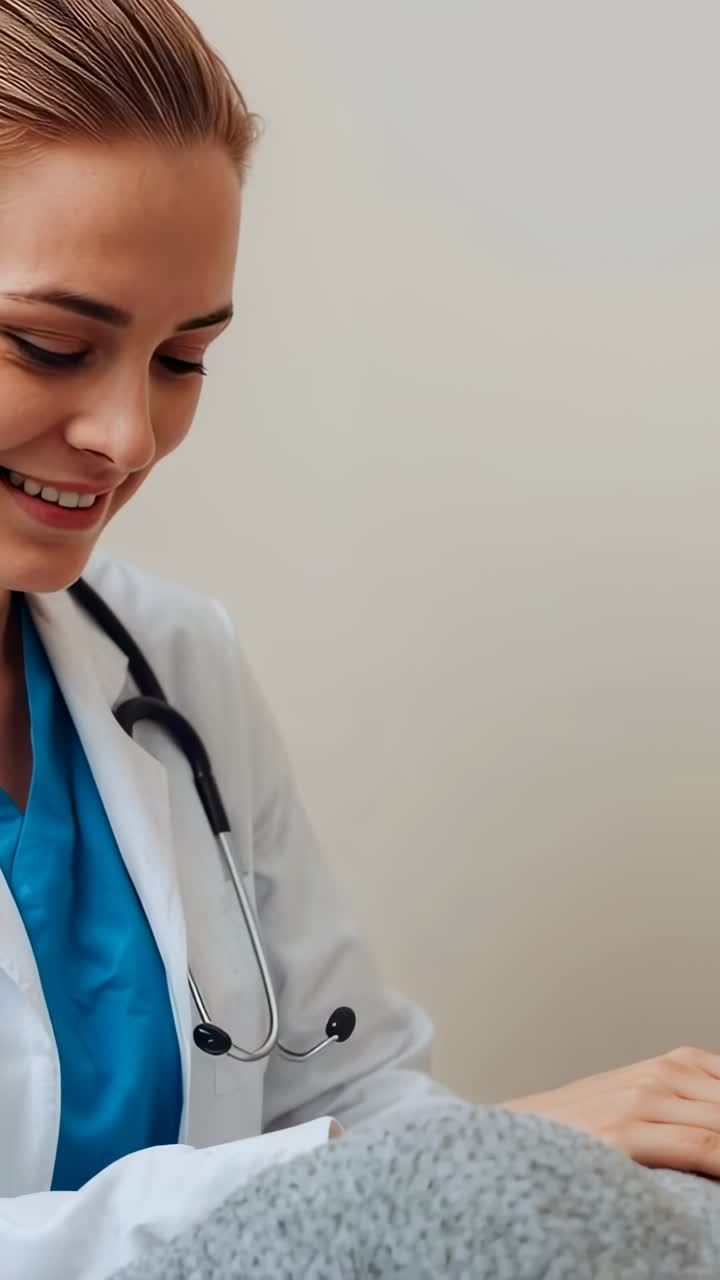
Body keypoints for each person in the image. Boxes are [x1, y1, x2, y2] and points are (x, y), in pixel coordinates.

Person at [1, 2, 720, 1278]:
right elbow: (336, 1159)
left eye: (183, 360)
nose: (127, 436)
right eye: (52, 345)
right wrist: (382, 1162)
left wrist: (589, 1153)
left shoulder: (170, 661)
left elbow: (358, 1095)